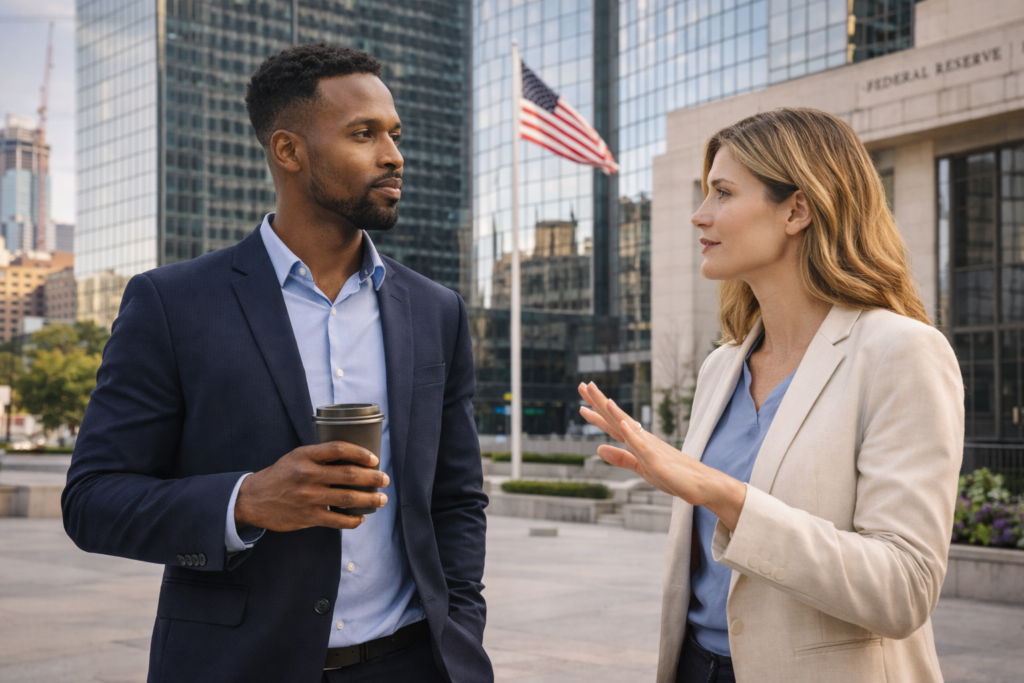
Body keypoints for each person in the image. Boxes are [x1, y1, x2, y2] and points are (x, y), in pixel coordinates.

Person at [62, 44, 492, 683]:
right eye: (362, 134)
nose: (393, 155)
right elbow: (92, 500)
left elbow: (455, 499)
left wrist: (459, 626)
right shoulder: (172, 303)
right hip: (238, 664)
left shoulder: (436, 310)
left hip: (413, 664)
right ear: (288, 151)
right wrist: (244, 501)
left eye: (394, 135)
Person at [578, 108, 963, 683]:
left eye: (723, 193)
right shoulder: (720, 367)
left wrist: (724, 494)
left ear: (797, 210)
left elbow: (903, 588)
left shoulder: (901, 352)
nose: (699, 215)